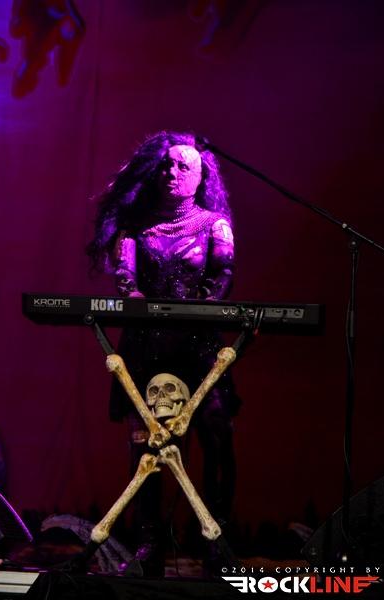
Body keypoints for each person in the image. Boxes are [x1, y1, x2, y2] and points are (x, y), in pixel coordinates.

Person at [87, 130, 240, 576]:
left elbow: (222, 275)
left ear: (200, 177)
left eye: (183, 166)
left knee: (217, 433)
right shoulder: (136, 228)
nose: (172, 172)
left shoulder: (215, 225)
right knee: (146, 445)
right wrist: (134, 297)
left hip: (198, 346)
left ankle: (216, 542)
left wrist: (201, 309)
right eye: (167, 166)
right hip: (146, 347)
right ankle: (148, 544)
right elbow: (125, 277)